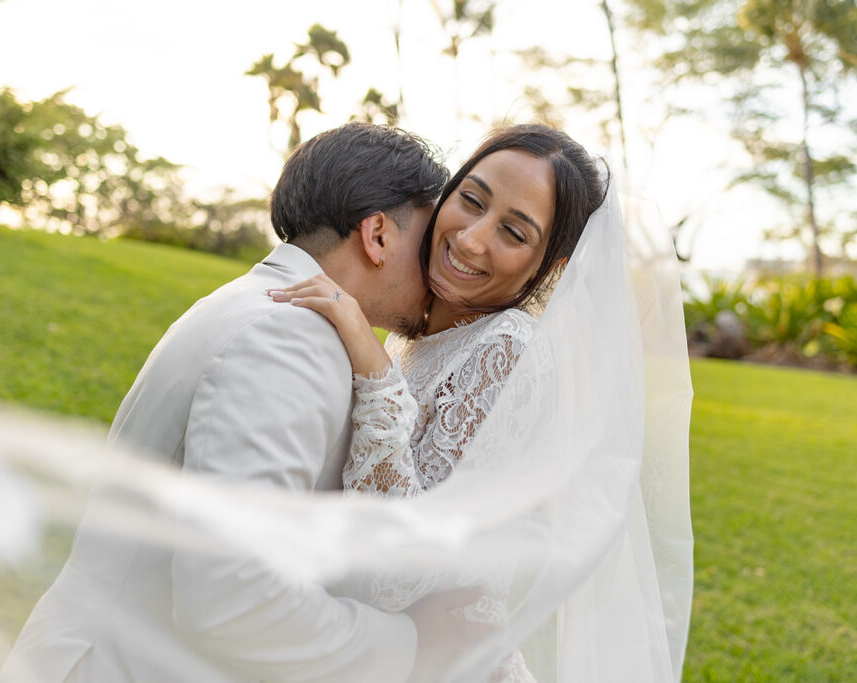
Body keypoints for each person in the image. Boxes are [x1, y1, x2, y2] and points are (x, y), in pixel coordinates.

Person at [0, 122, 489, 683]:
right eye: (429, 243)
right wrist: (411, 645)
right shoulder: (285, 337)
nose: (438, 270)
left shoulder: (264, 309)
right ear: (377, 235)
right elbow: (235, 596)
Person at [270, 124, 694, 681]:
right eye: (471, 200)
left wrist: (371, 369)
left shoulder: (506, 348)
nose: (471, 239)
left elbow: (397, 574)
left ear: (552, 266)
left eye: (514, 234)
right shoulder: (422, 332)